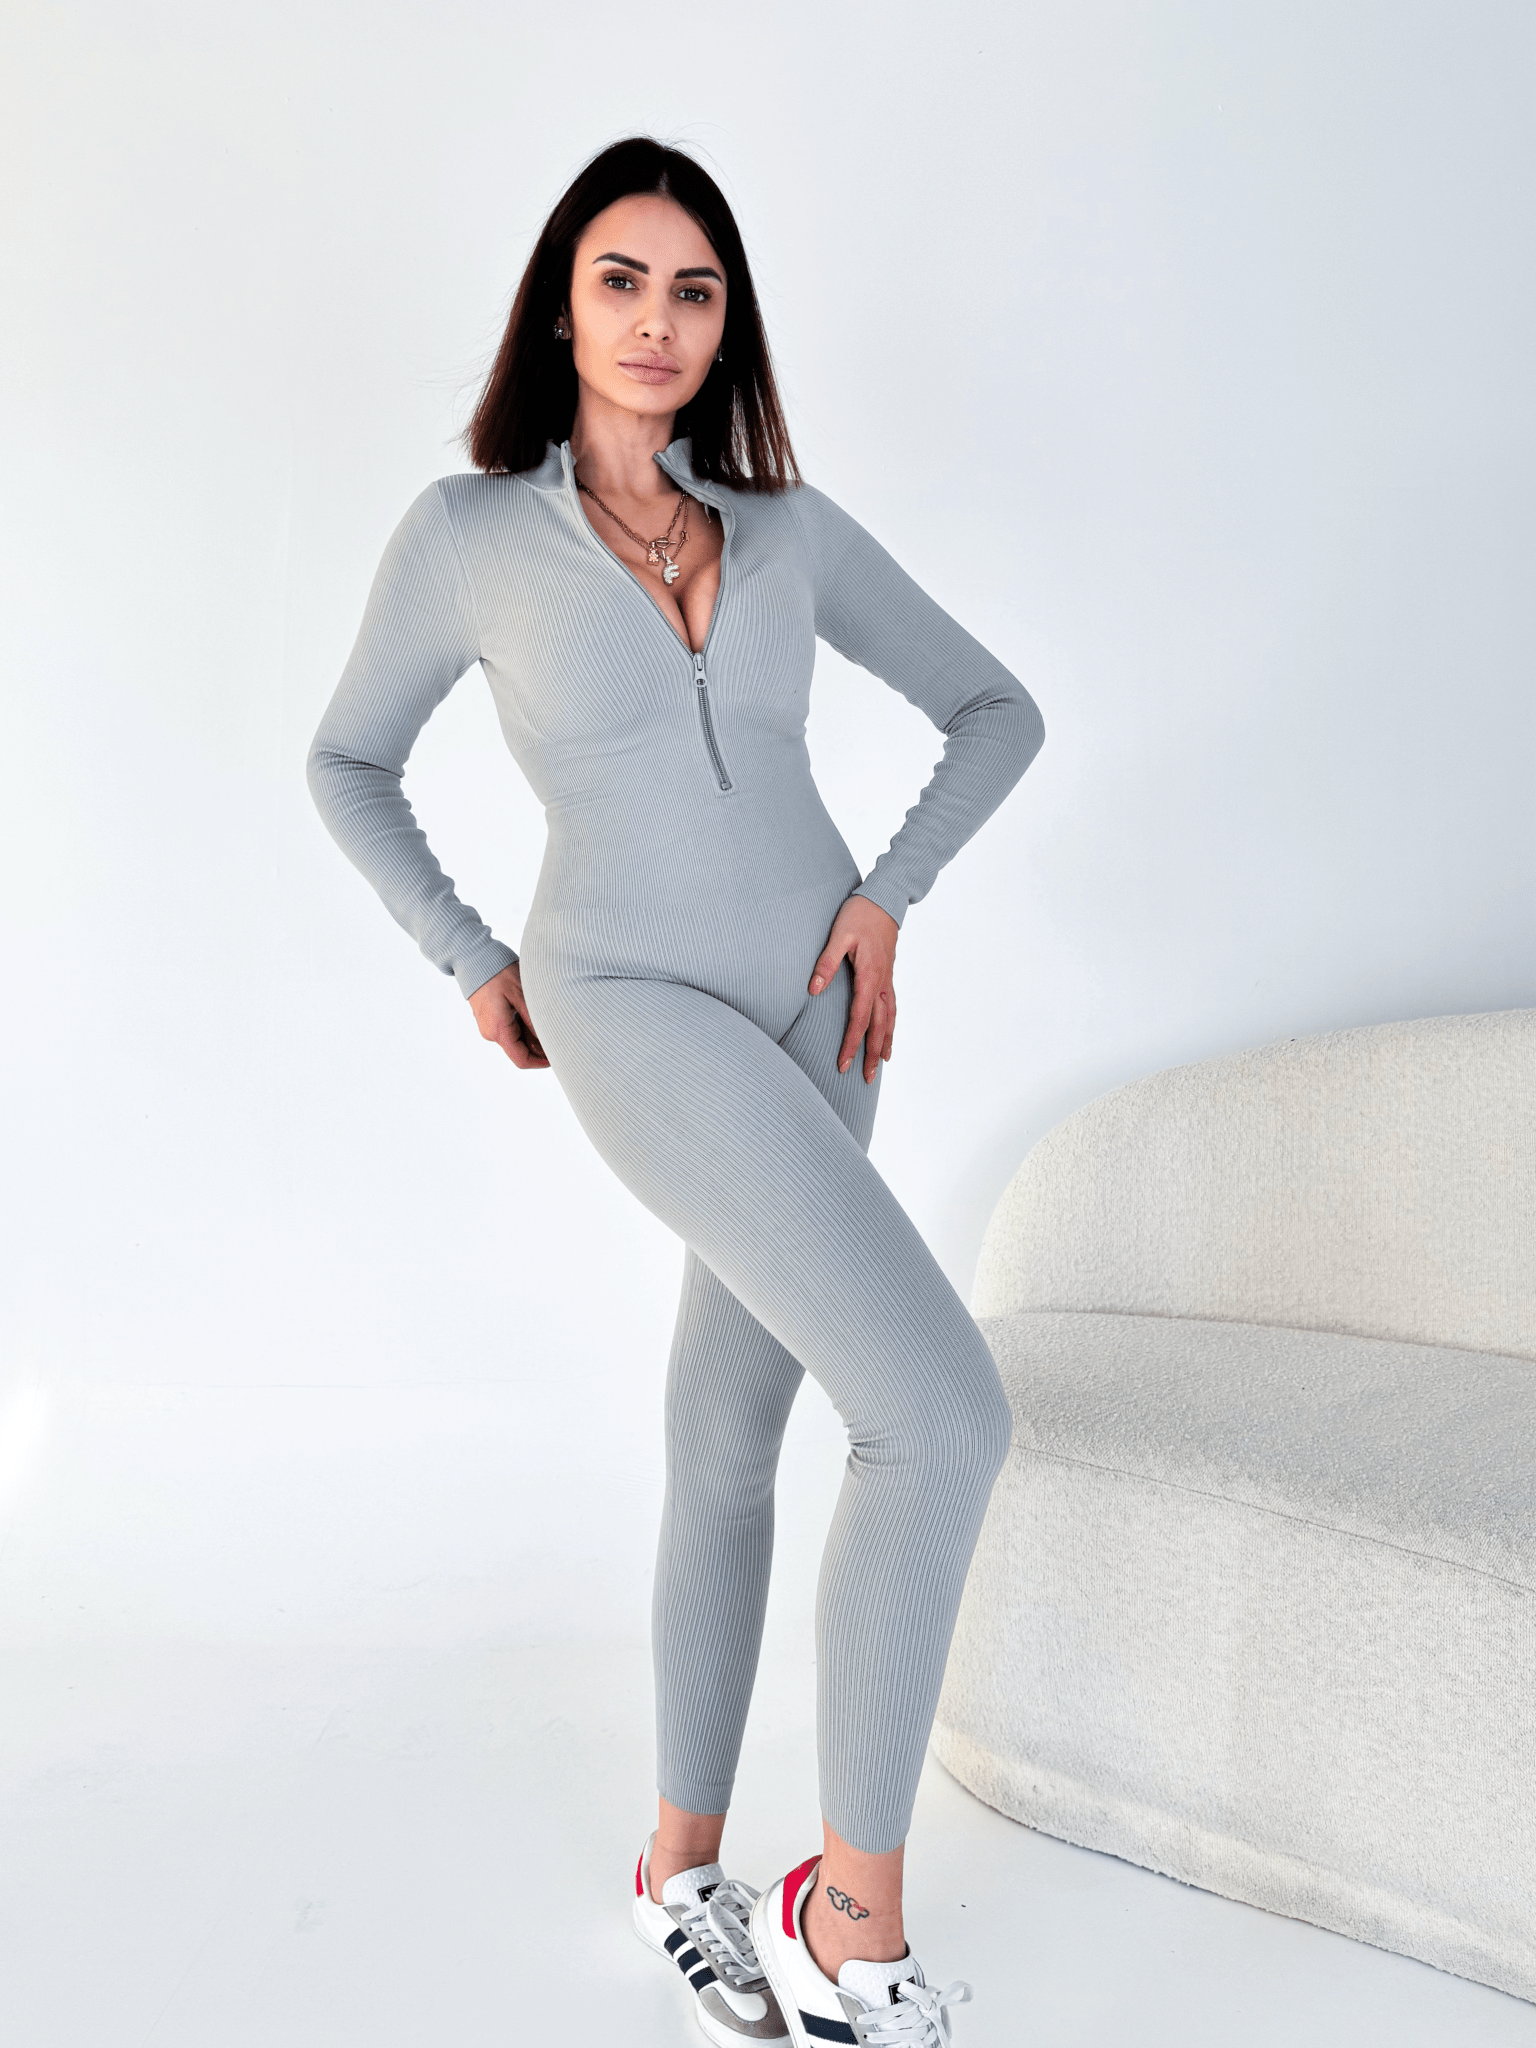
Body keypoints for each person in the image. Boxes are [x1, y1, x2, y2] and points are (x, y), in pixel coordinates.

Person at [308, 135, 1044, 2048]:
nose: (657, 320)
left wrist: (888, 898)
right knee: (938, 1412)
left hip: (817, 1009)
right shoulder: (469, 536)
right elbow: (346, 761)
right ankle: (848, 1918)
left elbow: (999, 709)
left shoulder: (786, 531)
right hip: (626, 1001)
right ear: (562, 311)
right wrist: (470, 955)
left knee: (730, 1436)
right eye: (621, 281)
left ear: (729, 328)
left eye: (694, 289)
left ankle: (682, 1869)